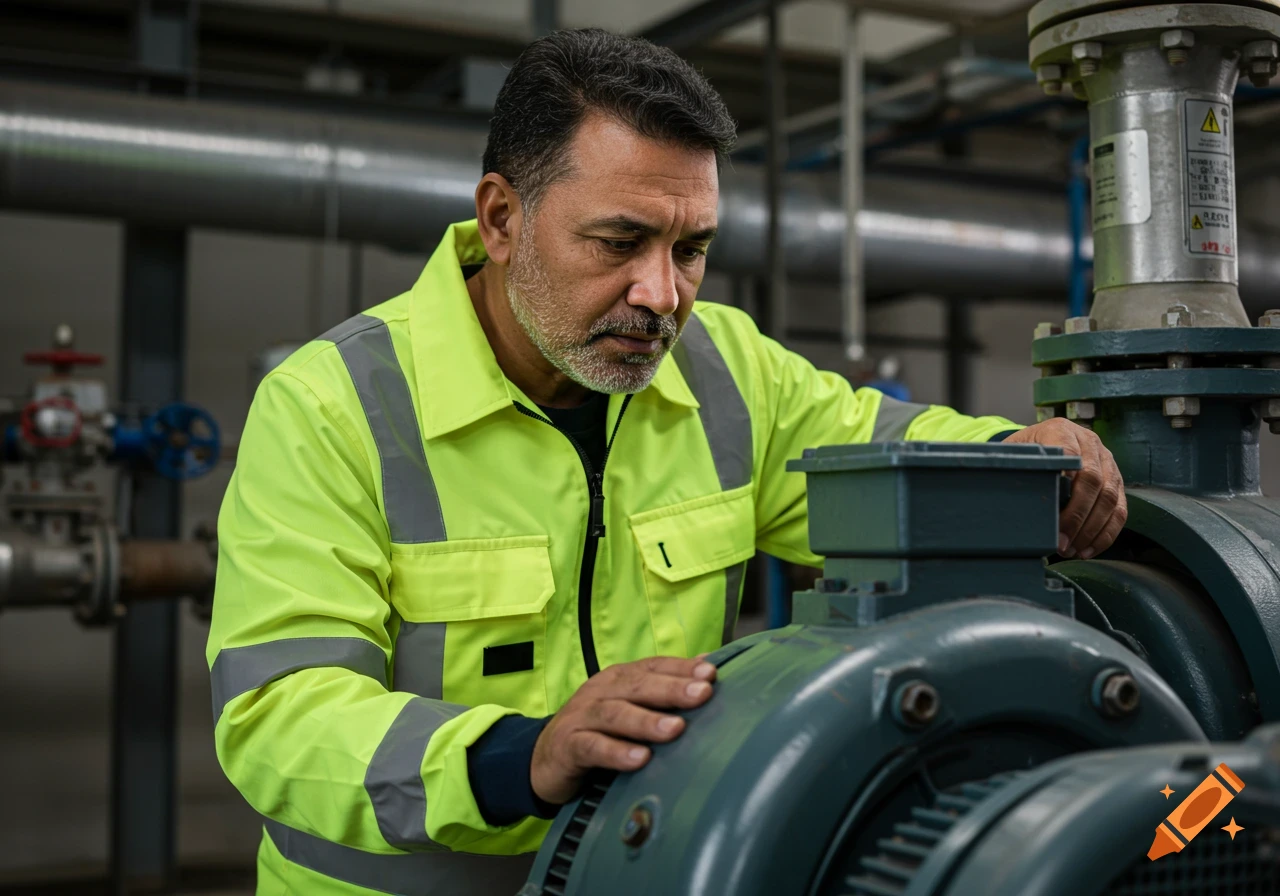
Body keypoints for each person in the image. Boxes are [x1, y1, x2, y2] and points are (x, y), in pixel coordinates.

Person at [206, 28, 1127, 896]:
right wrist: (520, 757)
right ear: (500, 219)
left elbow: (876, 451)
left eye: (691, 250)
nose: (661, 295)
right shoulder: (334, 407)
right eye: (618, 243)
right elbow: (279, 717)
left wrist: (1015, 454)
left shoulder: (722, 368)